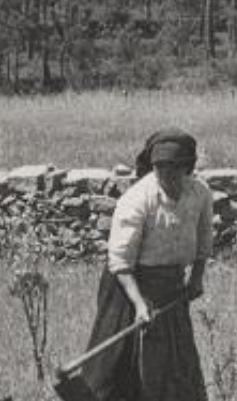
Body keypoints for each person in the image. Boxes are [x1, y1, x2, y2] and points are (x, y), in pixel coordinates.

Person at [79, 129, 214, 401]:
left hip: (171, 286)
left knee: (174, 361)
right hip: (128, 286)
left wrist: (196, 278)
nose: (166, 173)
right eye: (160, 166)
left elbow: (204, 239)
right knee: (120, 366)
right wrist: (139, 305)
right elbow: (120, 261)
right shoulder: (138, 199)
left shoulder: (199, 194)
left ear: (187, 166)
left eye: (174, 166)